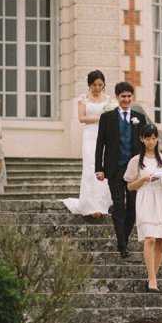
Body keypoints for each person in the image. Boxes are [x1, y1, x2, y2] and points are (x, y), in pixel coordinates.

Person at [94, 81, 147, 257]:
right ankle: (122, 245)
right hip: (114, 169)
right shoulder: (107, 117)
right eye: (123, 96)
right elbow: (100, 143)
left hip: (134, 172)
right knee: (118, 206)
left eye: (129, 96)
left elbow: (146, 143)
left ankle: (123, 236)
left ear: (132, 97)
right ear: (117, 97)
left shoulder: (139, 117)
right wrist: (99, 168)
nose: (126, 99)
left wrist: (146, 165)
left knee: (132, 207)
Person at [124, 123, 162, 293]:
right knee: (150, 238)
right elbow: (130, 186)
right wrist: (144, 179)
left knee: (161, 240)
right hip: (145, 197)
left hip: (161, 198)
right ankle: (152, 279)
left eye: (154, 138)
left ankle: (153, 275)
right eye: (148, 138)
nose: (151, 141)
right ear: (142, 139)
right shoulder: (135, 160)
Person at [62, 70, 113, 218]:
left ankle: (102, 203)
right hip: (90, 135)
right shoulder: (83, 99)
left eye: (100, 85)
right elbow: (81, 118)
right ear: (89, 85)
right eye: (94, 85)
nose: (97, 88)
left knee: (103, 165)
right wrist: (100, 118)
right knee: (91, 166)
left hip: (105, 136)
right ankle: (90, 204)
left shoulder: (108, 99)